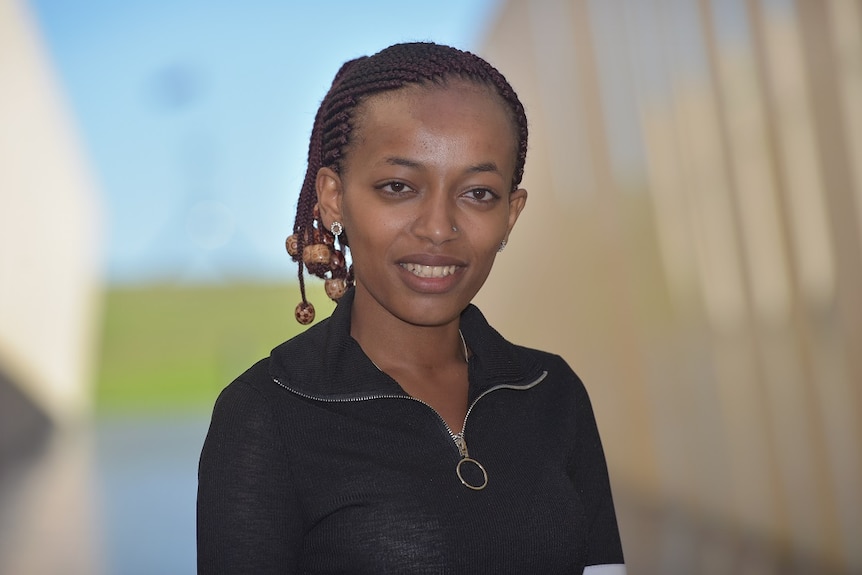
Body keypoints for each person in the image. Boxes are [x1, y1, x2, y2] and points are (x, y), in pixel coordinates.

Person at [197, 42, 625, 574]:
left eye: (478, 194)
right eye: (398, 187)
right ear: (333, 199)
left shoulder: (551, 390)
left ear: (511, 215)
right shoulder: (267, 412)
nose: (438, 227)